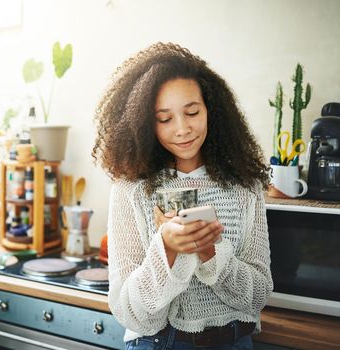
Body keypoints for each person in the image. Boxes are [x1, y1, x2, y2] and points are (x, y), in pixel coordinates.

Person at [92, 42, 273, 350]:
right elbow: (132, 315)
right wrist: (167, 250)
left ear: (211, 110)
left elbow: (257, 297)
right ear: (145, 124)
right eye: (165, 119)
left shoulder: (245, 185)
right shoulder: (131, 189)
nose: (182, 129)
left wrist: (210, 252)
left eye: (192, 112)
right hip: (162, 342)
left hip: (236, 341)